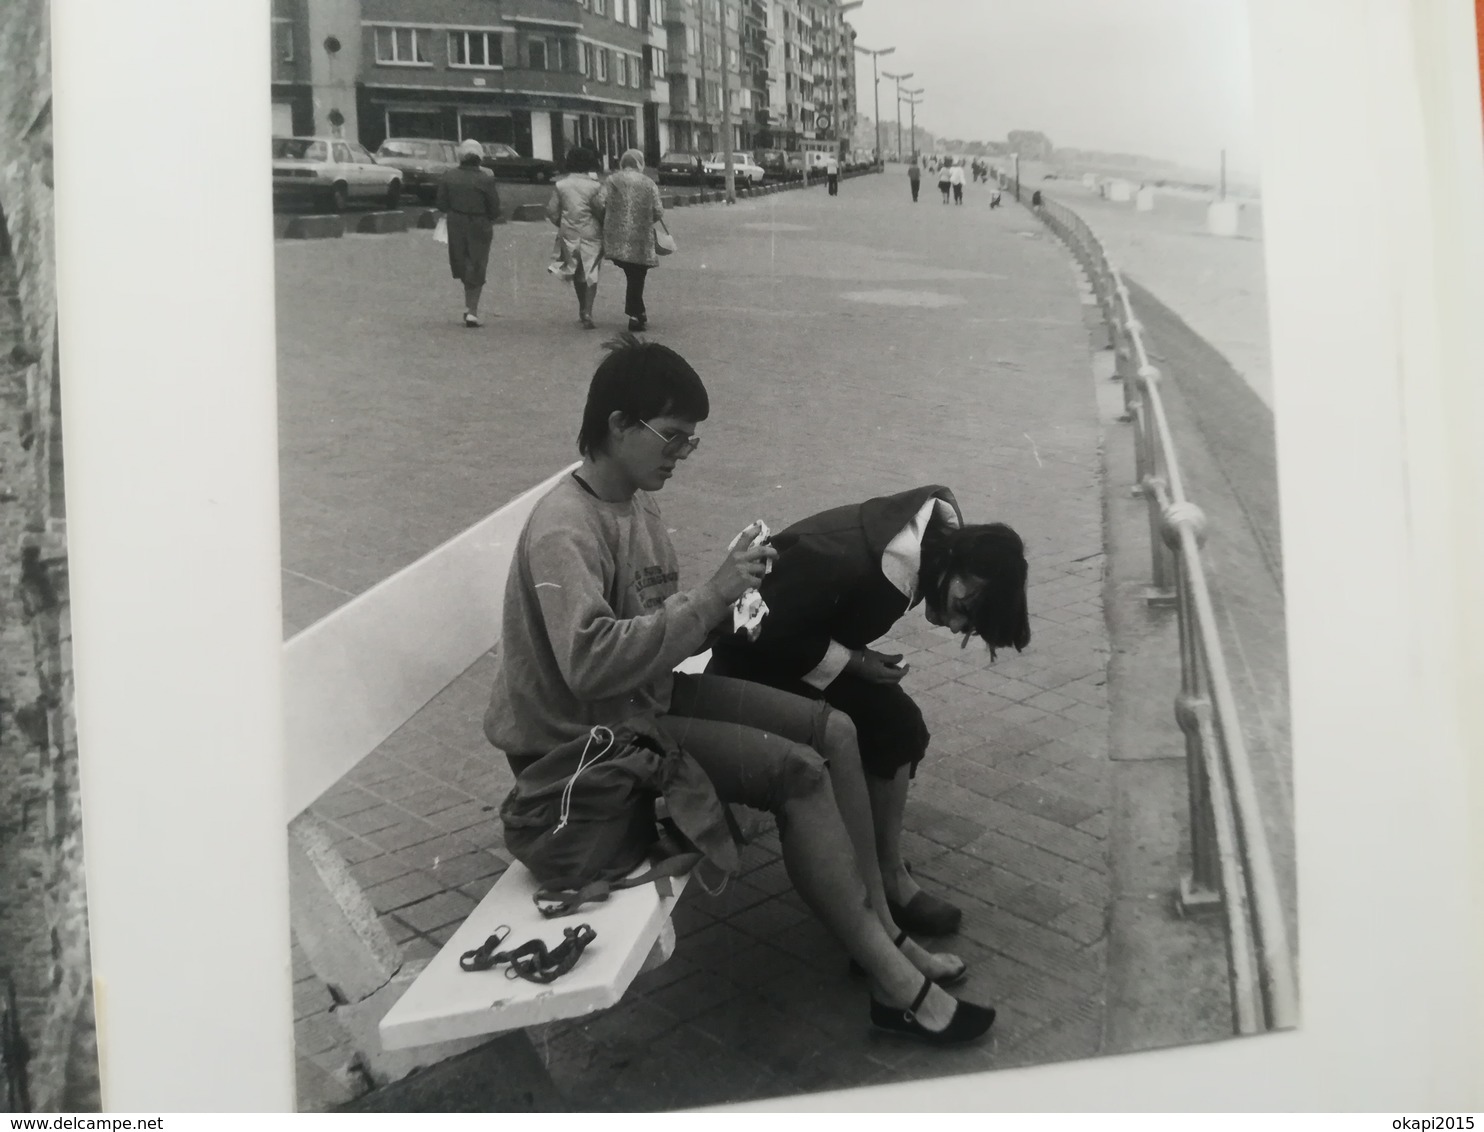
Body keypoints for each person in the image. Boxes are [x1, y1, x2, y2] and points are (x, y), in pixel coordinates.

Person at [483, 336, 997, 1046]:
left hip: (639, 704)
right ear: (617, 425)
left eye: (689, 443)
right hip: (584, 745)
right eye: (671, 438)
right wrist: (710, 599)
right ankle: (893, 982)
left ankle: (879, 935)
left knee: (836, 730)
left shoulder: (634, 503)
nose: (679, 455)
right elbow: (589, 667)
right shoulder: (564, 530)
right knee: (797, 773)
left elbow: (662, 629)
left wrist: (731, 602)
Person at [706, 486, 1031, 937]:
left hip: (790, 653)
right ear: (957, 564)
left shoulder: (920, 549)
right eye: (963, 610)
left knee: (897, 726)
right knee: (869, 731)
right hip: (747, 664)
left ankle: (880, 868)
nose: (955, 624)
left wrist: (856, 659)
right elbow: (762, 630)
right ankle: (875, 885)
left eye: (967, 626)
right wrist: (854, 661)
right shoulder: (862, 560)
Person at [435, 138, 502, 328]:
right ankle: (472, 310)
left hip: (456, 222)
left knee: (462, 262)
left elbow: (440, 203)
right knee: (477, 263)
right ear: (480, 158)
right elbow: (494, 208)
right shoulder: (486, 179)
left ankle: (468, 306)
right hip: (480, 223)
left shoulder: (448, 176)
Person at [595, 148, 664, 332]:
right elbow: (658, 210)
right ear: (639, 163)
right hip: (641, 237)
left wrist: (609, 219)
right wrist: (645, 219)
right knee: (637, 274)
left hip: (616, 236)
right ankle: (635, 315)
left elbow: (600, 203)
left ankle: (638, 312)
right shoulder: (649, 183)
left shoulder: (611, 180)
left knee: (632, 274)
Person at [546, 145, 606, 329]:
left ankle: (582, 308)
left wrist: (561, 224)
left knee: (576, 269)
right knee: (591, 271)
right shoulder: (596, 186)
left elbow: (551, 210)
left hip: (569, 232)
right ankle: (588, 310)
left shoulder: (561, 185)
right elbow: (602, 209)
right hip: (592, 233)